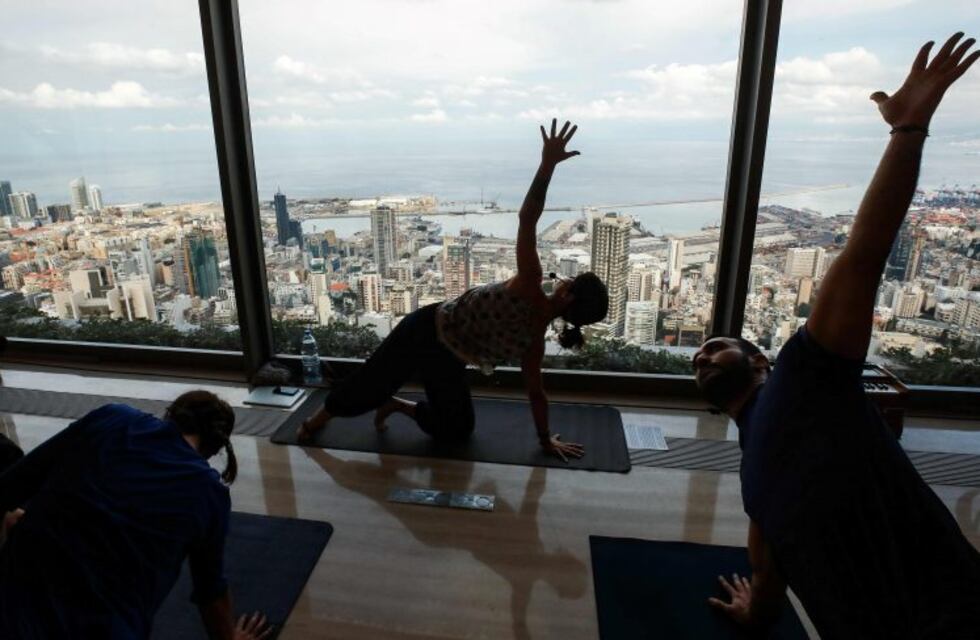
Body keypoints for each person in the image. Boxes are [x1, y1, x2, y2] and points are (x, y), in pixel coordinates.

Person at [697, 34, 980, 636]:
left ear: (762, 360)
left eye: (716, 344)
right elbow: (773, 559)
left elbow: (862, 256)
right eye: (700, 353)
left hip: (950, 607)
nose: (701, 352)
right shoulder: (752, 467)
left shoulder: (806, 376)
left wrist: (907, 132)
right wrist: (760, 611)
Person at [300, 119, 609, 462]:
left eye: (571, 280)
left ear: (567, 296)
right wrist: (544, 439)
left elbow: (527, 218)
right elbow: (537, 395)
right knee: (372, 385)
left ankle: (396, 405)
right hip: (425, 329)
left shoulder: (530, 288)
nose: (564, 279)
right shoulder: (533, 340)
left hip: (448, 359)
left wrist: (547, 165)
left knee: (458, 429)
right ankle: (315, 421)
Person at [0, 391, 272, 640]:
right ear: (215, 449)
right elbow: (210, 591)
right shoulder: (209, 493)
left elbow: (12, 485)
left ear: (169, 415)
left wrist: (21, 515)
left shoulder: (111, 418)